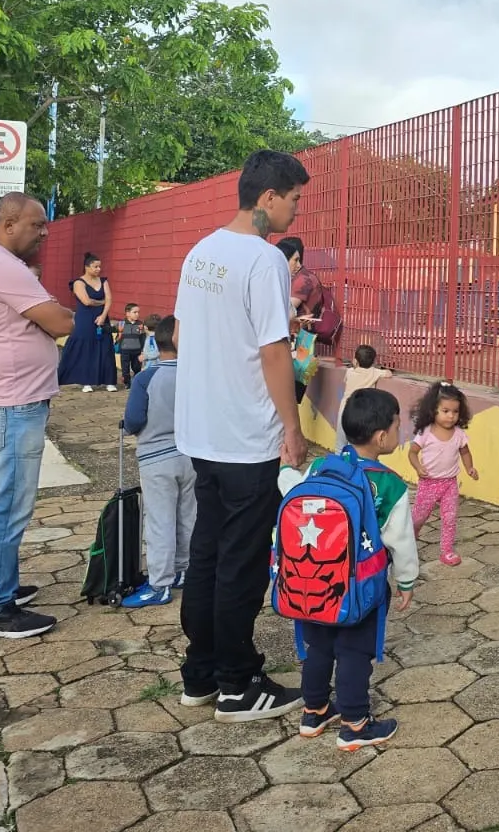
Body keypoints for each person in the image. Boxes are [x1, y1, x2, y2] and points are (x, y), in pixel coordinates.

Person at [173, 149, 310, 723]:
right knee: (242, 561)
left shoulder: (200, 251)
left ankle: (199, 672)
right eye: (295, 200)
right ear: (268, 198)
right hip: (245, 436)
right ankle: (237, 684)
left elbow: (180, 335)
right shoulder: (264, 259)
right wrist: (292, 427)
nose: (297, 213)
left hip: (200, 431)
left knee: (206, 552)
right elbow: (275, 350)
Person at [0, 193, 76, 641]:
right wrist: (50, 316)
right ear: (8, 223)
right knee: (7, 507)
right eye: (37, 225)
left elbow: (48, 319)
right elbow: (62, 321)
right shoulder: (3, 267)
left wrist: (44, 318)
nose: (44, 233)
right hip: (12, 405)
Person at [283, 388, 418, 751]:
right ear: (381, 437)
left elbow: (290, 490)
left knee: (317, 648)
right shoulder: (390, 484)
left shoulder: (320, 467)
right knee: (354, 653)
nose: (399, 432)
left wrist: (283, 468)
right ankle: (356, 724)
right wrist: (406, 580)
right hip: (362, 589)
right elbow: (401, 541)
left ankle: (314, 712)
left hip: (314, 581)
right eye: (397, 425)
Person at [121, 317, 195, 609]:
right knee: (188, 515)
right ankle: (183, 570)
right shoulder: (195, 376)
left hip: (156, 459)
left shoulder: (146, 377)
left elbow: (134, 420)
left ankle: (159, 584)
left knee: (160, 521)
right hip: (190, 456)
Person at [408, 382, 477, 566]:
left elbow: (465, 452)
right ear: (433, 410)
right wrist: (418, 467)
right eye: (445, 411)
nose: (451, 416)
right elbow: (412, 452)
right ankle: (409, 540)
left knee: (450, 517)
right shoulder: (426, 432)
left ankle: (446, 551)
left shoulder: (459, 434)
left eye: (455, 412)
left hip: (449, 483)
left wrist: (470, 468)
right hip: (429, 483)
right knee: (418, 518)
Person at [57, 252, 118, 392]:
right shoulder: (78, 283)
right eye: (95, 267)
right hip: (85, 320)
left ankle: (109, 380)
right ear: (87, 267)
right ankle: (86, 381)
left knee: (105, 347)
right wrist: (102, 301)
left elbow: (110, 299)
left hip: (102, 319)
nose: (98, 269)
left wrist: (103, 316)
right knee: (84, 348)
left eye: (99, 266)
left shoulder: (104, 281)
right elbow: (86, 301)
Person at [278, 236, 321, 404]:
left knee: (293, 391)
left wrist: (295, 319)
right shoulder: (288, 279)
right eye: (295, 260)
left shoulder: (302, 279)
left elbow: (285, 311)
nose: (298, 264)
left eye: (299, 259)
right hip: (294, 341)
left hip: (300, 340)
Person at [337, 345, 389, 447]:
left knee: (340, 443)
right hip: (361, 412)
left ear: (355, 361)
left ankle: (338, 461)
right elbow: (388, 374)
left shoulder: (350, 372)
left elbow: (346, 380)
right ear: (373, 362)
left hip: (345, 409)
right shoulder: (375, 373)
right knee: (355, 444)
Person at [118, 303, 147, 389]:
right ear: (127, 313)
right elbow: (114, 332)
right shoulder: (121, 324)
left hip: (137, 351)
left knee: (137, 368)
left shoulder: (140, 325)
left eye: (138, 312)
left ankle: (136, 382)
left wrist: (142, 350)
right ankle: (127, 383)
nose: (137, 314)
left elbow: (143, 338)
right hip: (125, 350)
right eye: (135, 312)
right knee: (125, 369)